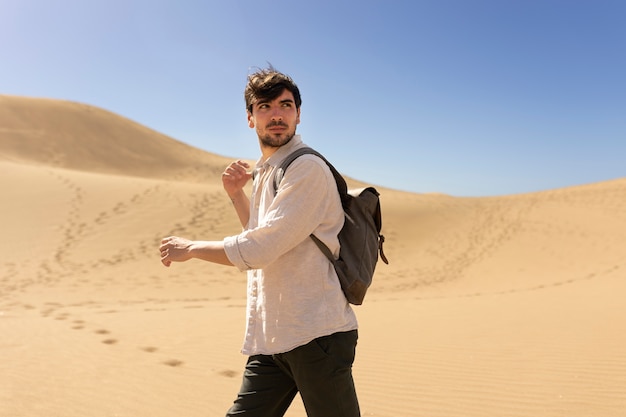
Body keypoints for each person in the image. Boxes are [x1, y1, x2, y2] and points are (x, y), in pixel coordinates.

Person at [159, 67, 361, 417]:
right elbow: (262, 233)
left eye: (285, 105)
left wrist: (190, 249)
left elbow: (259, 250)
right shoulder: (269, 169)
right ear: (251, 118)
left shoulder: (306, 168)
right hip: (273, 337)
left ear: (298, 114)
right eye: (264, 106)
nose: (277, 115)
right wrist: (237, 195)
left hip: (317, 335)